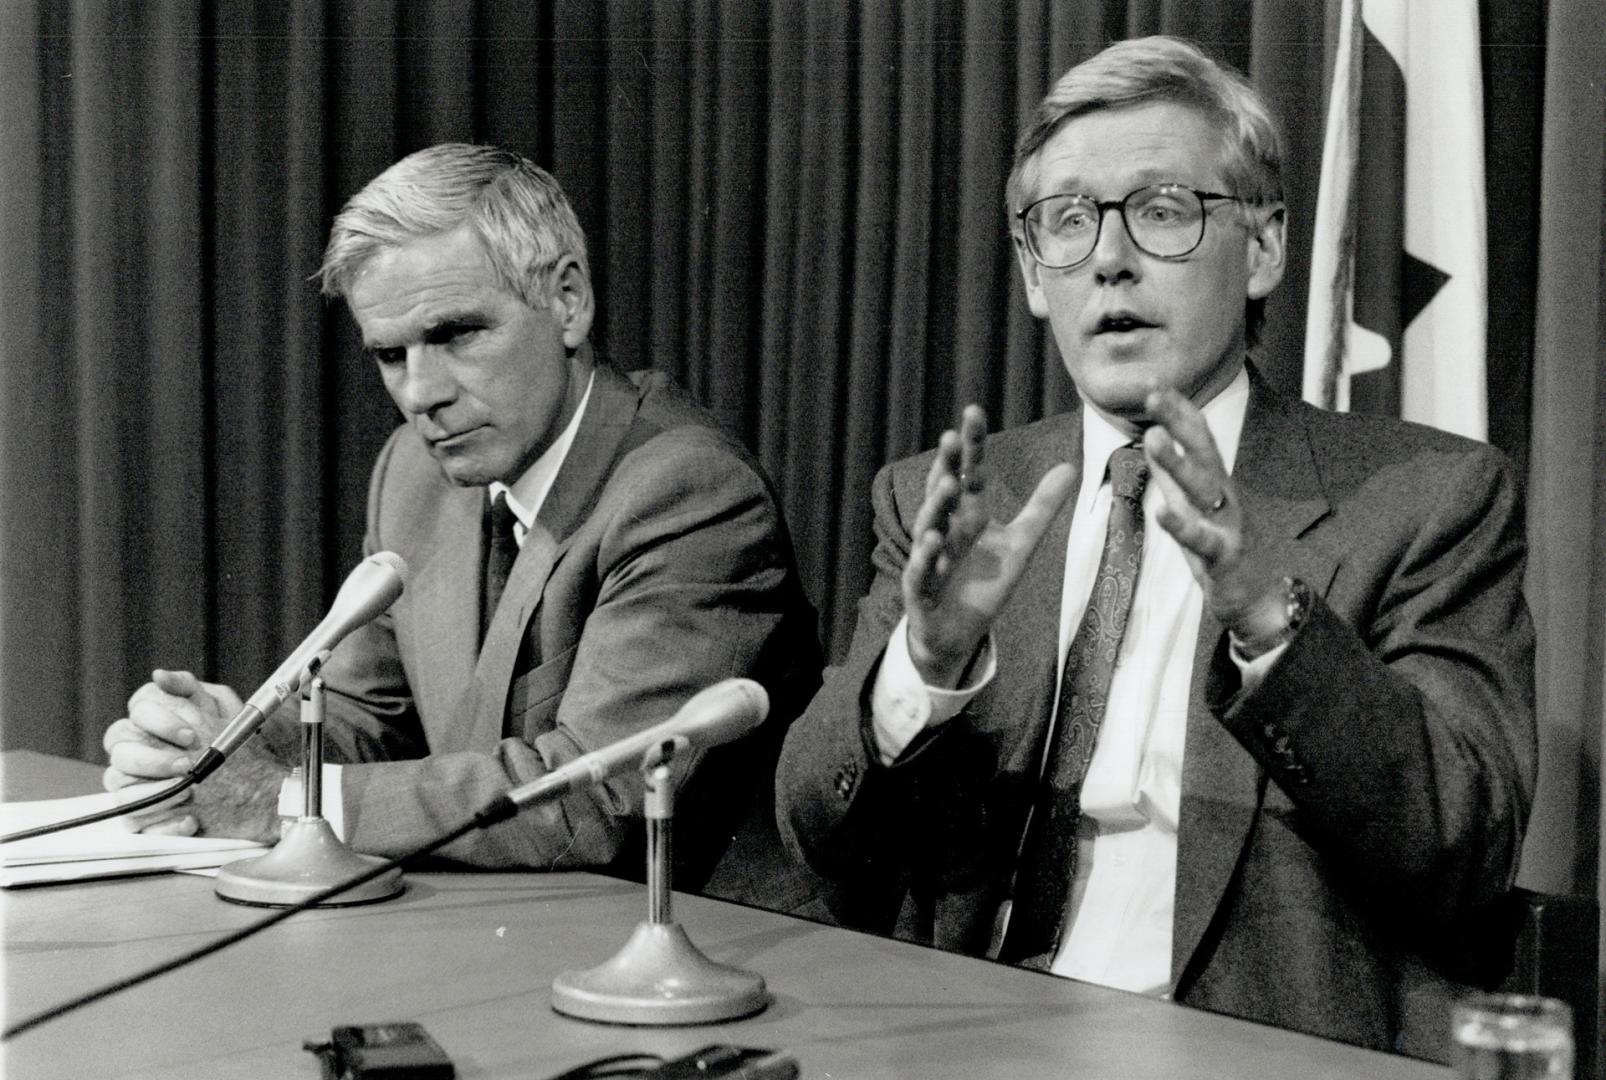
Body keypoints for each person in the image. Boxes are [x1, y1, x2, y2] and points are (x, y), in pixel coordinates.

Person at [775, 37, 1535, 1058]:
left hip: (1240, 1046)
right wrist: (925, 667)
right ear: (1034, 274)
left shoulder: (1428, 496)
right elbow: (815, 830)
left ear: (1262, 248)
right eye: (1069, 220)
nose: (1109, 256)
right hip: (956, 1033)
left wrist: (1272, 622)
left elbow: (1464, 849)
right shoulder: (949, 498)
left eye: (1163, 210)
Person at [103, 144, 821, 902]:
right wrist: (222, 746)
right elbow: (370, 721)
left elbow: (595, 799)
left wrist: (277, 799)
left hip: (707, 947)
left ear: (568, 302)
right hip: (503, 923)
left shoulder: (687, 492)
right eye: (390, 354)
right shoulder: (414, 473)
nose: (421, 393)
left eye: (455, 334)